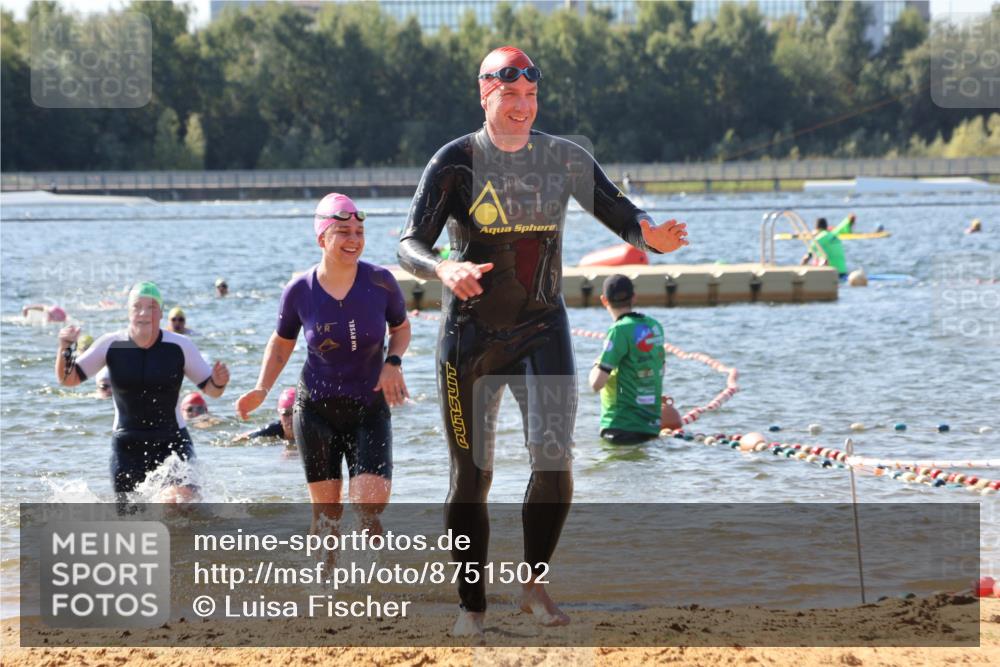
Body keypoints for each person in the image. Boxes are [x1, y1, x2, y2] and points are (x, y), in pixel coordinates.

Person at [397, 45, 689, 636]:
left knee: (555, 461)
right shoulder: (454, 163)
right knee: (471, 476)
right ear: (485, 95)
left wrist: (648, 234)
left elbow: (618, 209)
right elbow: (407, 244)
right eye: (511, 96)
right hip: (468, 335)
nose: (523, 106)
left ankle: (532, 583)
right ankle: (471, 604)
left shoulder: (563, 158)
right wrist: (441, 270)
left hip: (540, 326)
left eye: (531, 96)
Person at [236, 193, 411, 533]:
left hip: (368, 406)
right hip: (317, 409)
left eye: (359, 232)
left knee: (370, 505)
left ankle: (379, 582)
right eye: (343, 232)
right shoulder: (300, 290)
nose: (354, 240)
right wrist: (261, 388)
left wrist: (393, 360)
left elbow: (401, 328)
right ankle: (323, 583)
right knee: (328, 514)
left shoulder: (381, 282)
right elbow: (281, 343)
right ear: (322, 238)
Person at [55, 281, 230, 503]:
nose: (144, 313)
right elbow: (68, 378)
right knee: (132, 521)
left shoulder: (179, 346)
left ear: (161, 313)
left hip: (172, 441)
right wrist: (64, 348)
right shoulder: (111, 344)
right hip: (128, 447)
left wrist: (219, 381)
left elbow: (212, 391)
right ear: (128, 312)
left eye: (152, 307)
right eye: (137, 306)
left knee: (179, 502)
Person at [588, 275, 666, 445]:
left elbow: (596, 384)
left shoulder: (619, 330)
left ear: (604, 300)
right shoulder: (654, 326)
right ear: (634, 297)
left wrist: (596, 364)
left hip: (619, 428)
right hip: (651, 428)